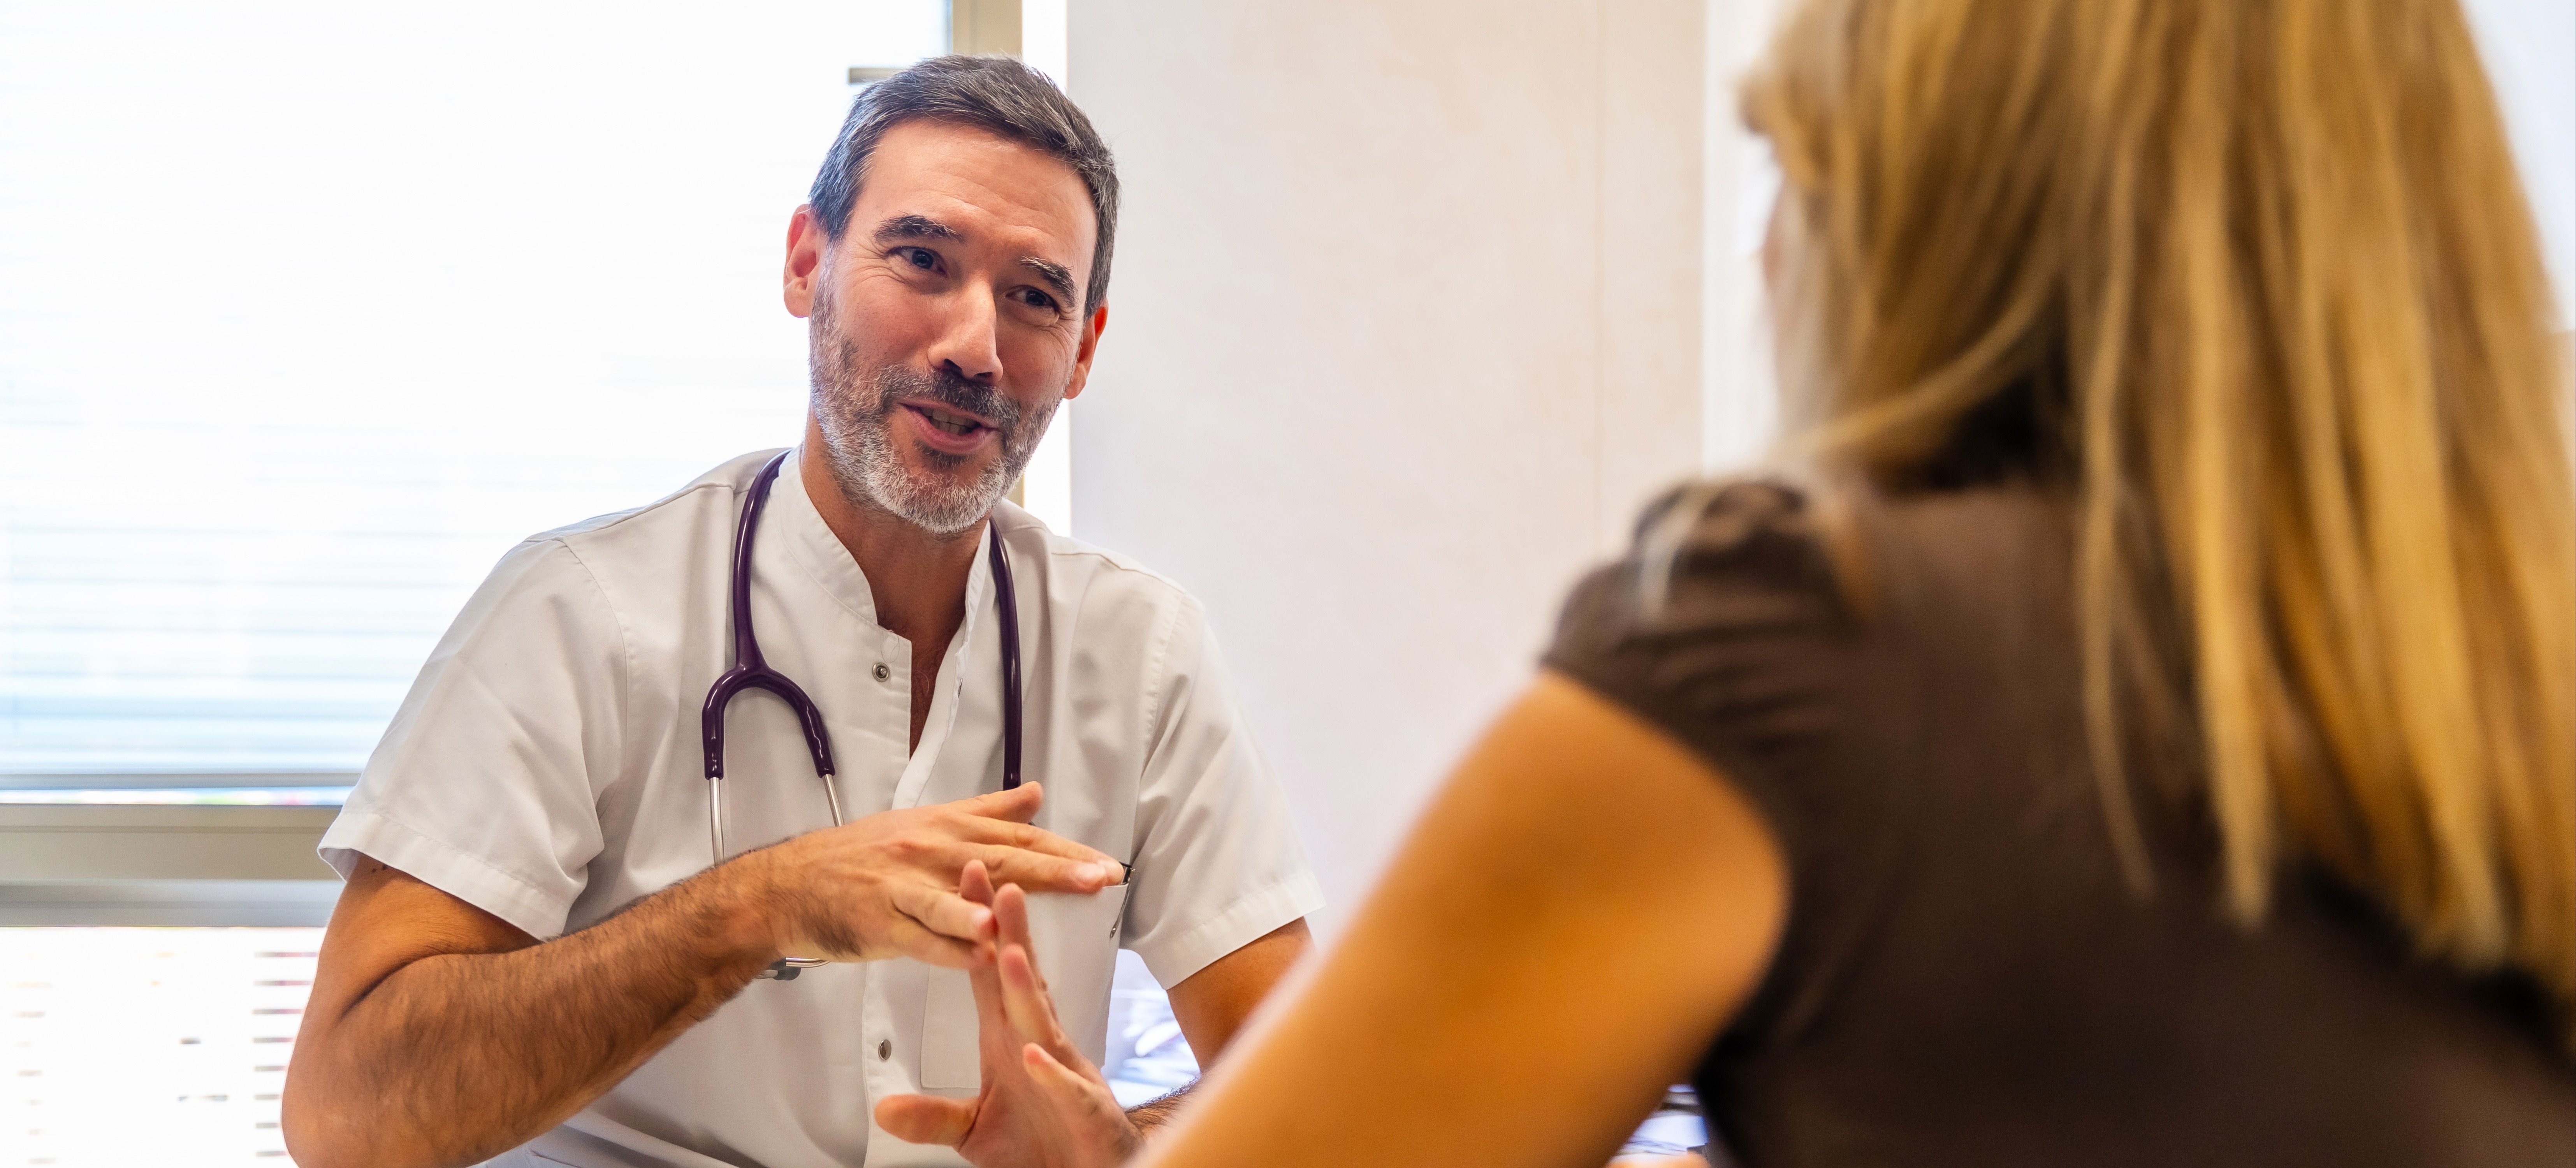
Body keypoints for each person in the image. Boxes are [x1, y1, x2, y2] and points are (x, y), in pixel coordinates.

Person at [1091, 1, 2574, 1165]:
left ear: (1926, 200)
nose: (1765, 249)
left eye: (1790, 161)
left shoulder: (1800, 637)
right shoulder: (2514, 689)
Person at [280, 56, 1321, 1168]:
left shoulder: (1142, 654)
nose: (976, 347)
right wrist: (756, 907)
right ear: (804, 262)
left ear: (1084, 351)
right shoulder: (579, 615)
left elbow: (1320, 1077)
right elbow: (348, 1119)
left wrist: (1125, 1149)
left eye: (1034, 296)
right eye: (922, 260)